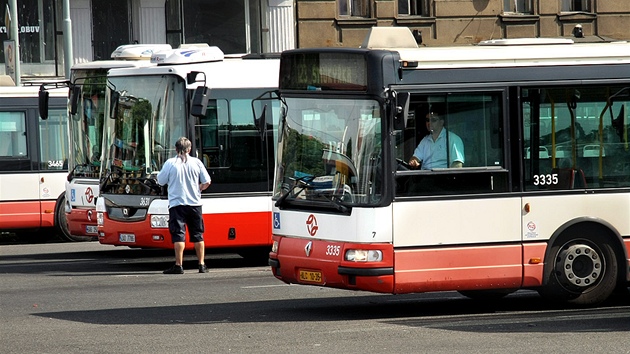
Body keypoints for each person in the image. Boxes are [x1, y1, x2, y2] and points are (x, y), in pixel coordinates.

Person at [157, 137, 211, 274]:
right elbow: (207, 181)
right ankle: (201, 264)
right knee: (198, 234)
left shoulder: (170, 163)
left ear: (176, 149)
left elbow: (161, 181)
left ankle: (179, 265)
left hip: (177, 204)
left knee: (179, 235)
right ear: (190, 149)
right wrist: (199, 188)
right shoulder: (197, 162)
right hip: (195, 204)